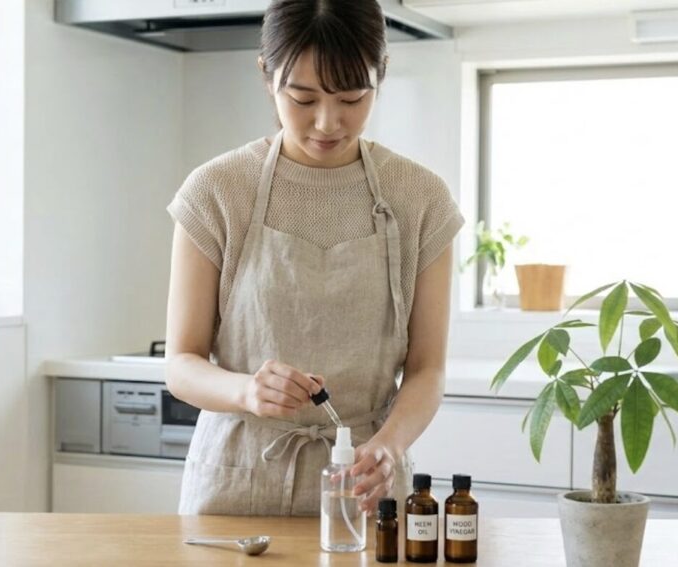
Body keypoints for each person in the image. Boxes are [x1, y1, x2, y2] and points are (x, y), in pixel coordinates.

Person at [165, 0, 464, 516]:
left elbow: (427, 369)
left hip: (366, 487)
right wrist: (247, 391)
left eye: (352, 98)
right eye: (302, 98)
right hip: (235, 485)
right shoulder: (216, 191)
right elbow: (181, 365)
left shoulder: (420, 198)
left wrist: (389, 445)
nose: (328, 122)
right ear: (267, 76)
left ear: (382, 75)